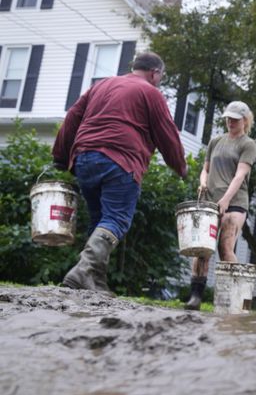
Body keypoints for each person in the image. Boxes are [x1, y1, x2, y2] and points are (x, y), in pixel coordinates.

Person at [52, 52, 187, 293]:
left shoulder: (101, 85)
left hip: (85, 158)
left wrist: (61, 157)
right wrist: (180, 166)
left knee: (100, 222)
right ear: (155, 73)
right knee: (116, 219)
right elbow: (167, 132)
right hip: (120, 160)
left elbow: (72, 116)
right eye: (161, 75)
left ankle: (96, 284)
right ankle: (82, 271)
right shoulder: (150, 92)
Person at [184, 101, 256, 310]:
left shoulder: (247, 144)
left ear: (244, 120)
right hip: (210, 202)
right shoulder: (216, 141)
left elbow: (240, 175)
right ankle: (195, 297)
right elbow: (205, 170)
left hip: (234, 203)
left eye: (235, 119)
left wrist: (225, 200)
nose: (230, 122)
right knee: (202, 249)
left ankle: (234, 301)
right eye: (228, 118)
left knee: (225, 248)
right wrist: (203, 182)